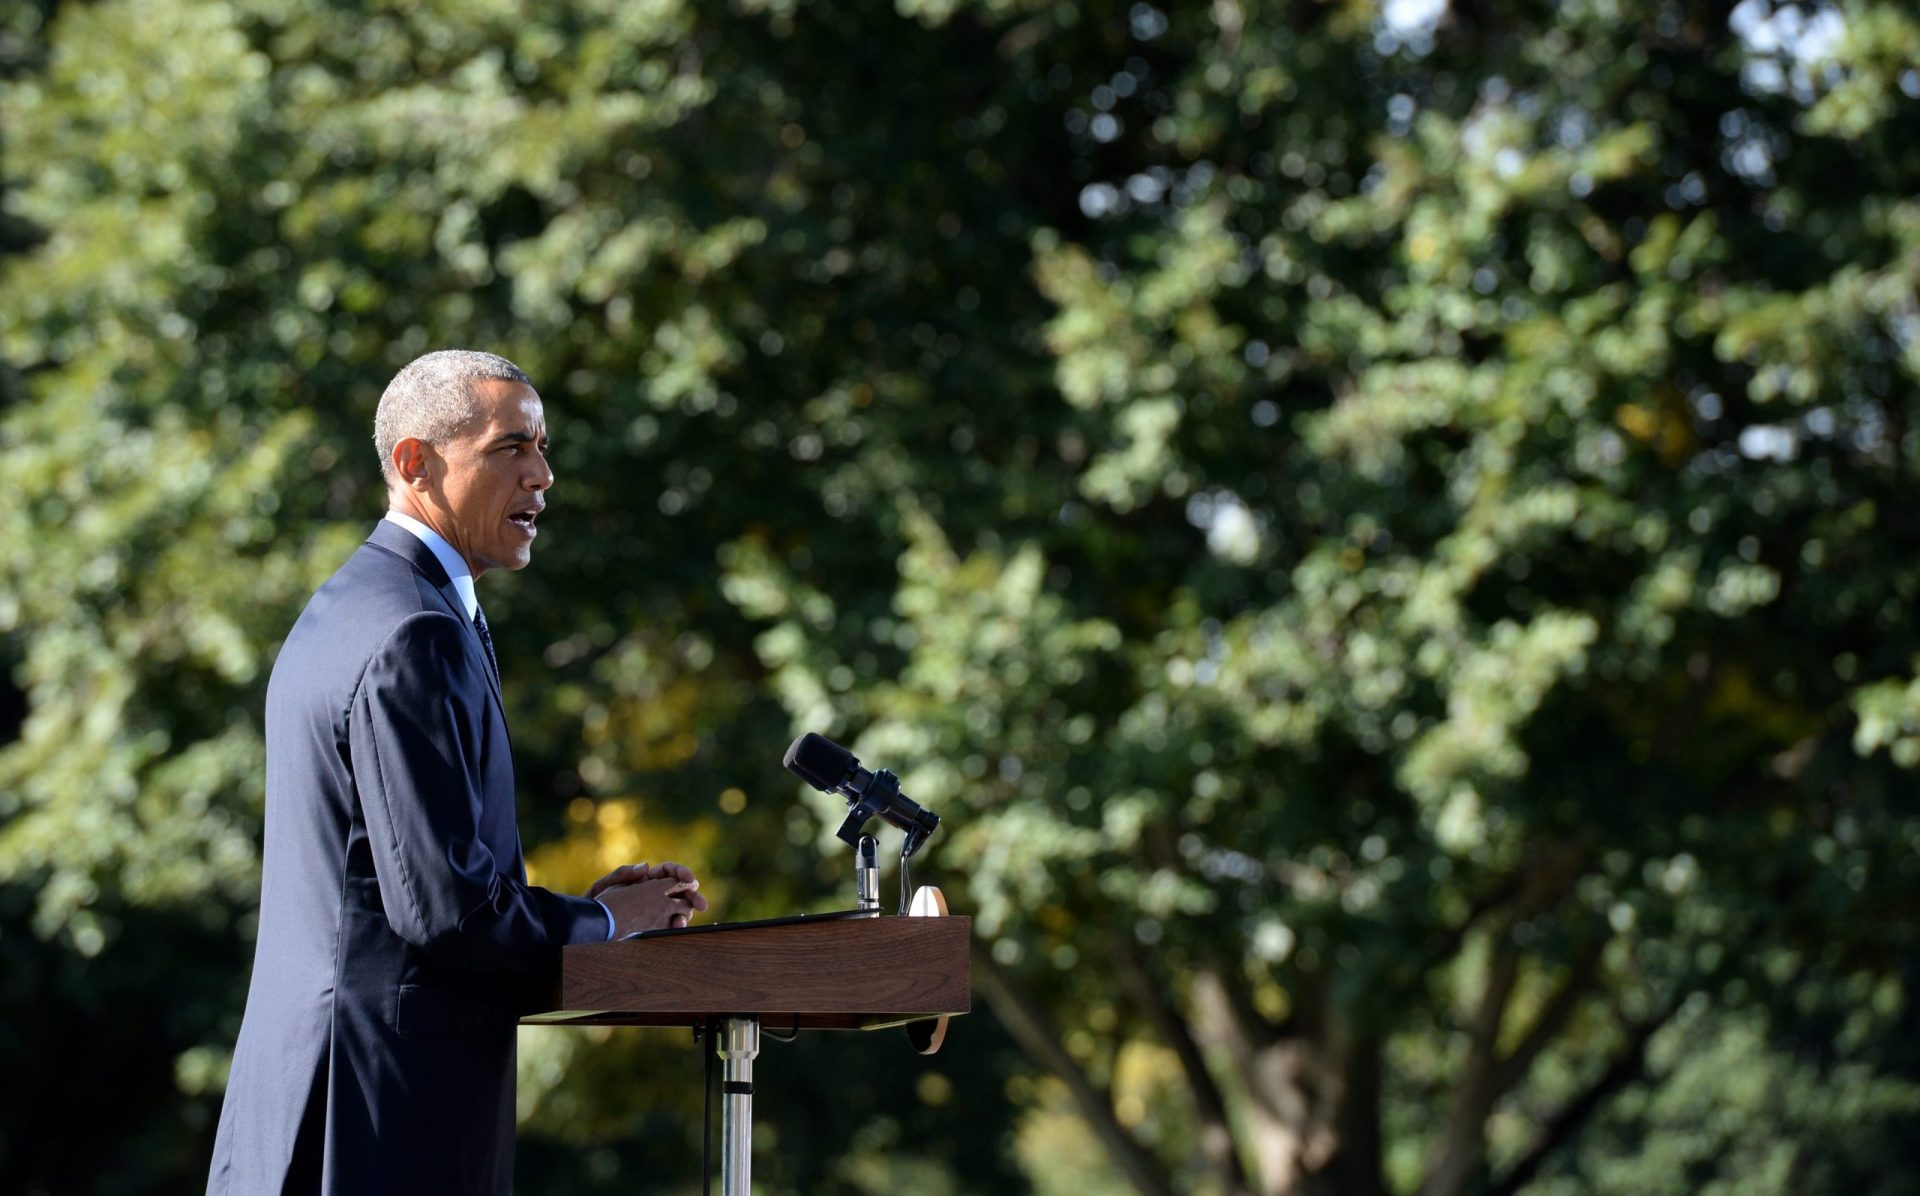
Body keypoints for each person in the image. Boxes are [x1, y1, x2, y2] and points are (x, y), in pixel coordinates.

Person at [206, 350, 705, 1195]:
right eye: (511, 448)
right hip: (378, 1124)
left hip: (325, 1100)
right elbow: (445, 909)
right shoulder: (414, 634)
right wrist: (604, 925)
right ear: (415, 463)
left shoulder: (357, 605)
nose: (543, 476)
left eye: (544, 448)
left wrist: (586, 913)